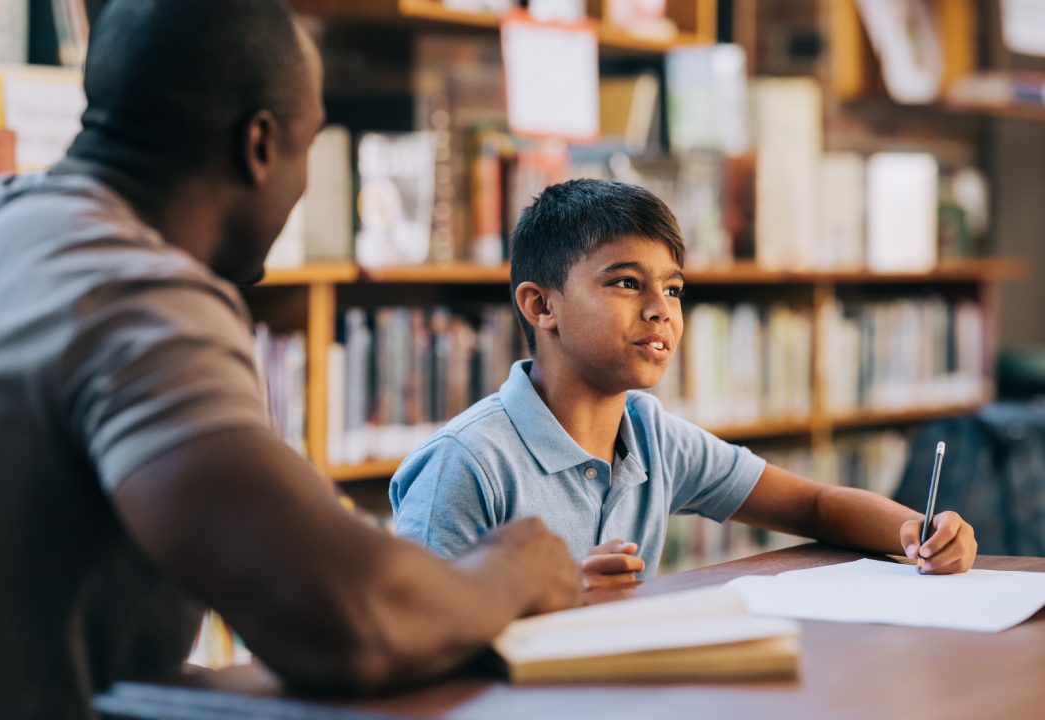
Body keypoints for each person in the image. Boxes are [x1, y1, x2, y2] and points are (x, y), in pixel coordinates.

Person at [0, 2, 581, 718]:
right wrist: (509, 572)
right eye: (308, 146)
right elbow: (350, 622)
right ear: (260, 144)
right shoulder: (137, 294)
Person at [391, 178, 979, 589]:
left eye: (673, 289)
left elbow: (815, 504)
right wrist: (541, 597)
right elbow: (409, 628)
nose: (661, 311)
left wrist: (918, 534)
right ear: (541, 306)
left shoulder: (650, 436)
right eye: (626, 283)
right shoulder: (466, 466)